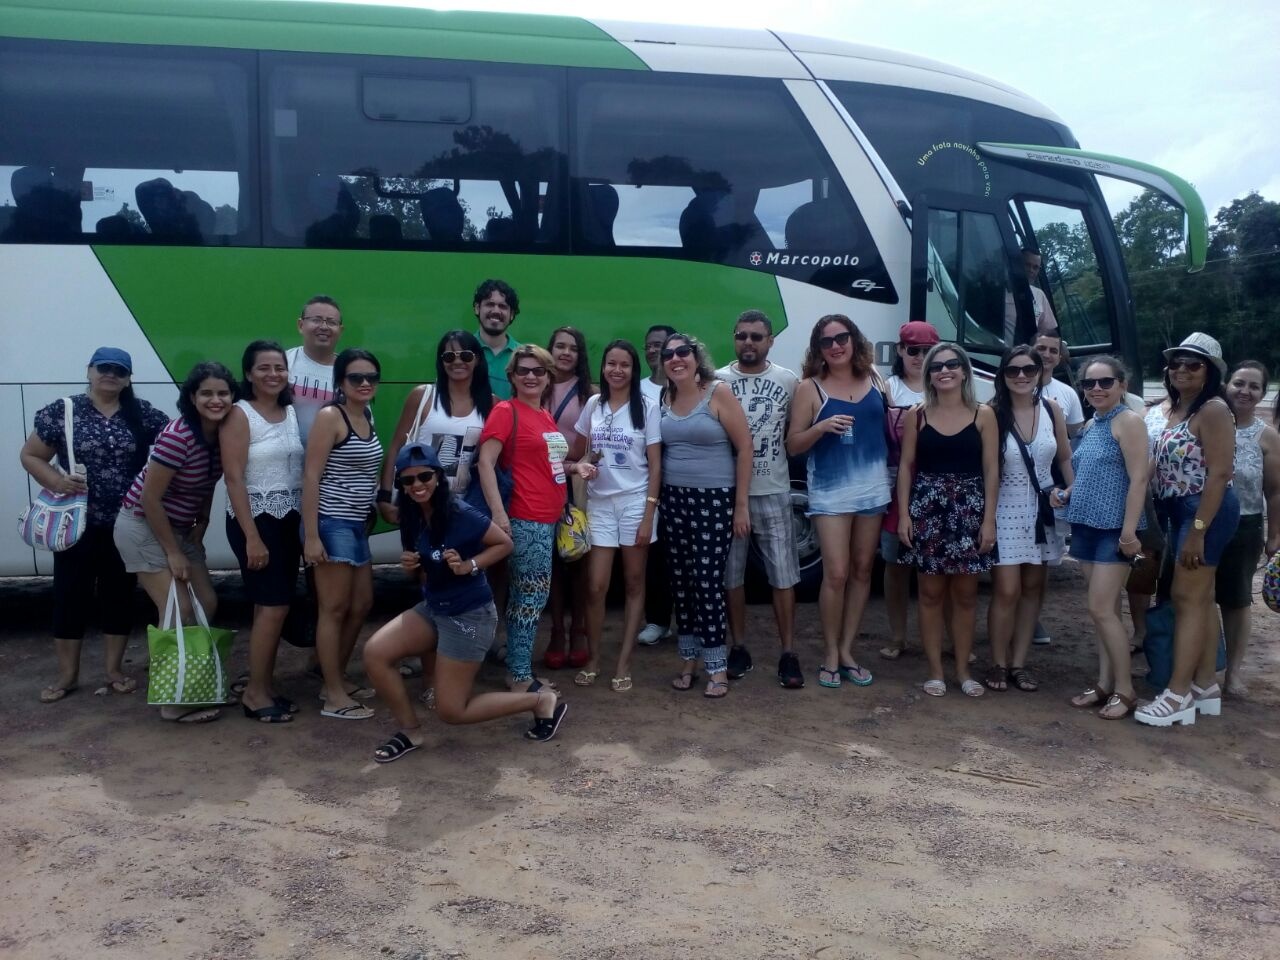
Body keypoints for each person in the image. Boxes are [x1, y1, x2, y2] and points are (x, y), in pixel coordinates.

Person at [362, 444, 567, 763]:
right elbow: (420, 565)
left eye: (425, 476)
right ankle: (410, 731)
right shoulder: (412, 515)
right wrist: (409, 564)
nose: (417, 485)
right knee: (375, 653)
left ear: (438, 477)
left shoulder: (458, 512)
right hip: (435, 608)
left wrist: (469, 565)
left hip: (469, 616)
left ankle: (540, 701)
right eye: (408, 480)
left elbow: (504, 543)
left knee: (452, 711)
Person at [21, 347, 169, 703]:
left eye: (119, 370)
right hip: (76, 522)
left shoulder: (143, 413)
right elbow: (30, 455)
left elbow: (175, 446)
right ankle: (67, 676)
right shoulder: (63, 411)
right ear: (89, 371)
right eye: (104, 368)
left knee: (118, 596)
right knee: (70, 596)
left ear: (128, 378)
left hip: (126, 522)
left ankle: (114, 670)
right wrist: (55, 480)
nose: (111, 374)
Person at [113, 361, 237, 723]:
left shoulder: (220, 433)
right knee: (180, 610)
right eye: (207, 393)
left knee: (207, 603)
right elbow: (150, 500)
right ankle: (174, 702)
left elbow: (208, 482)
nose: (216, 400)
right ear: (192, 398)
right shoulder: (178, 436)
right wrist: (172, 552)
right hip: (141, 527)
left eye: (223, 393)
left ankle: (189, 678)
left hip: (180, 528)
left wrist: (204, 519)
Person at [1137, 334, 1240, 727]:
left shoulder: (1212, 410)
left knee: (1186, 598)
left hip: (1201, 510)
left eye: (1193, 364)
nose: (1182, 369)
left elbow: (1220, 474)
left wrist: (1197, 530)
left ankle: (1177, 694)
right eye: (1176, 362)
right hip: (1178, 509)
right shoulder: (1177, 408)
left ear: (1210, 372)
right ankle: (1204, 684)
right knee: (1201, 597)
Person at [477, 344, 592, 692]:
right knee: (528, 599)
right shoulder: (505, 411)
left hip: (549, 518)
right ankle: (519, 677)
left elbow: (551, 464)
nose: (531, 376)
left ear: (548, 377)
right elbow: (486, 462)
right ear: (512, 377)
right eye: (523, 371)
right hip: (525, 519)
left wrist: (575, 466)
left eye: (538, 371)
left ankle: (520, 669)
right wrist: (499, 514)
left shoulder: (543, 415)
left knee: (532, 598)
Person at [786, 315, 889, 690]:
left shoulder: (876, 379)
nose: (836, 346)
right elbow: (793, 444)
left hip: (874, 488)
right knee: (837, 574)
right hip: (830, 492)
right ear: (818, 349)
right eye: (826, 342)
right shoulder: (809, 388)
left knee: (864, 571)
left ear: (854, 339)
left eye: (842, 338)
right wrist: (820, 428)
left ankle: (847, 651)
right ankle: (830, 652)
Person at [896, 344, 998, 697]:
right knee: (929, 592)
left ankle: (963, 670)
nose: (945, 370)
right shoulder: (917, 415)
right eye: (936, 366)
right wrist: (904, 515)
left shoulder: (983, 414)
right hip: (927, 509)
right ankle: (936, 670)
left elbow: (991, 470)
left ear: (965, 371)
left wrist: (989, 521)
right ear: (928, 375)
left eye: (952, 364)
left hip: (969, 510)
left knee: (967, 594)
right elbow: (906, 468)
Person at [660, 333, 752, 698]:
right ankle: (688, 659)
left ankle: (717, 667)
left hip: (713, 500)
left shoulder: (718, 392)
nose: (676, 359)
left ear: (696, 357)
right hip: (674, 499)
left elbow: (744, 448)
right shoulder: (664, 398)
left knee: (707, 582)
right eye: (668, 354)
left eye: (683, 352)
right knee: (681, 584)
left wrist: (740, 505)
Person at [716, 310, 802, 687]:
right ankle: (739, 646)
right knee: (731, 577)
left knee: (783, 576)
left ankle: (788, 652)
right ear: (733, 338)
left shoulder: (788, 381)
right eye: (741, 336)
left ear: (770, 341)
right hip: (727, 493)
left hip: (774, 490)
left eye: (756, 336)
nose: (748, 342)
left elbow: (794, 433)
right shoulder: (717, 380)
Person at [221, 341, 304, 723]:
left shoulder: (288, 410)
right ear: (249, 374)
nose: (273, 374)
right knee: (274, 607)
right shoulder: (240, 414)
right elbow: (234, 477)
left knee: (270, 608)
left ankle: (264, 685)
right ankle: (255, 694)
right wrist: (252, 536)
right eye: (264, 368)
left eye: (279, 367)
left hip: (286, 517)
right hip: (254, 519)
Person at [572, 340, 662, 691]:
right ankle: (594, 659)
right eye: (611, 363)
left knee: (634, 583)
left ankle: (624, 662)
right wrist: (585, 466)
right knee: (595, 587)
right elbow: (580, 454)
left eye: (624, 364)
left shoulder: (647, 407)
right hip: (599, 505)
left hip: (636, 503)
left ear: (633, 369)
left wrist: (648, 514)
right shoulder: (594, 404)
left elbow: (655, 465)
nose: (617, 370)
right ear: (604, 367)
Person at [1062, 357, 1149, 719]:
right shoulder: (1094, 424)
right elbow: (1091, 475)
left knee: (1101, 608)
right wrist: (1066, 493)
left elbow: (1139, 479)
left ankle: (1126, 691)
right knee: (1105, 612)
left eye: (1105, 382)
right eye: (1089, 383)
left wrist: (1129, 531)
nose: (1096, 389)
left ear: (1122, 384)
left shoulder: (1127, 421)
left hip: (1114, 530)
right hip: (1085, 525)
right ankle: (1104, 683)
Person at [301, 348, 384, 721]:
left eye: (371, 377)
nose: (365, 383)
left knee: (361, 603)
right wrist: (312, 536)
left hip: (356, 523)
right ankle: (332, 694)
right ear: (340, 382)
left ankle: (333, 675)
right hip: (331, 523)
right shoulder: (330, 418)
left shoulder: (364, 414)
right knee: (333, 609)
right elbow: (311, 476)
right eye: (355, 377)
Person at [984, 346, 1073, 692]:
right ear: (1002, 375)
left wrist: (1072, 491)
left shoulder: (1052, 409)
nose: (1021, 376)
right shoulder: (992, 413)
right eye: (1013, 370)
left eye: (1028, 369)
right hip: (1004, 506)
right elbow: (989, 468)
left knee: (1033, 589)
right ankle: (998, 662)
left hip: (1044, 508)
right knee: (1007, 589)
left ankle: (1019, 663)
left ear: (1039, 372)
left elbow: (1064, 457)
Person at [378, 330, 494, 524]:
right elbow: (396, 448)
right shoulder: (422, 396)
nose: (457, 362)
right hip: (418, 506)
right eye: (449, 356)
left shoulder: (492, 404)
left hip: (467, 509)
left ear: (478, 360)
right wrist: (384, 497)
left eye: (465, 355)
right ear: (441, 362)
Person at [1218, 361, 1280, 697]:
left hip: (1245, 525)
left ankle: (1233, 674)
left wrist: (1274, 535)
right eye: (1239, 383)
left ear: (1262, 394)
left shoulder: (1266, 435)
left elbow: (1275, 489)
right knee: (1194, 598)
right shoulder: (1210, 421)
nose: (1245, 391)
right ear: (1227, 384)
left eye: (1253, 386)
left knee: (1237, 599)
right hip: (1202, 520)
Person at [880, 320, 940, 660]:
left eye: (926, 350)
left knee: (940, 568)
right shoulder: (888, 388)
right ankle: (898, 636)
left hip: (938, 484)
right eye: (912, 350)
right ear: (900, 350)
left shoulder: (945, 385)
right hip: (896, 487)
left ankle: (944, 639)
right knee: (896, 564)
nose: (919, 357)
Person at [546, 325, 596, 672]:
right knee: (551, 564)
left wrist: (578, 467)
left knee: (576, 559)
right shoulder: (536, 385)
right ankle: (557, 632)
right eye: (559, 346)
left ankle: (579, 630)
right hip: (540, 484)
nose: (565, 353)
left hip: (574, 485)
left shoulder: (589, 394)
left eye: (572, 348)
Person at [636, 323, 677, 646]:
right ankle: (658, 620)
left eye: (660, 345)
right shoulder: (637, 390)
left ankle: (687, 622)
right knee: (655, 552)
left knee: (685, 554)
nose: (653, 350)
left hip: (682, 480)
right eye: (649, 345)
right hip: (647, 482)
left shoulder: (689, 387)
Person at [287, 295, 343, 446]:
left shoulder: (349, 371)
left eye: (331, 322)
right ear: (300, 325)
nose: (324, 327)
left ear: (340, 330)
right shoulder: (283, 364)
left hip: (334, 466)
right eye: (316, 320)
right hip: (286, 463)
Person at [473, 278, 520, 400]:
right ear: (477, 308)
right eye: (490, 304)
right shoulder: (462, 352)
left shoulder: (522, 356)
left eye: (503, 306)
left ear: (512, 314)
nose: (496, 311)